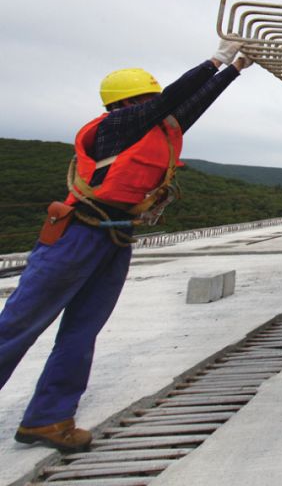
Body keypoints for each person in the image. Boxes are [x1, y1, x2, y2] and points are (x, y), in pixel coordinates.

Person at [0, 37, 252, 452]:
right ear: (121, 106)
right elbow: (173, 98)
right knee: (17, 326)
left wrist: (234, 70)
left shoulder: (154, 127)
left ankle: (48, 419)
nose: (152, 107)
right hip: (75, 235)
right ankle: (45, 416)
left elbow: (191, 105)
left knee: (83, 330)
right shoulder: (115, 127)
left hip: (114, 238)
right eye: (143, 101)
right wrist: (213, 60)